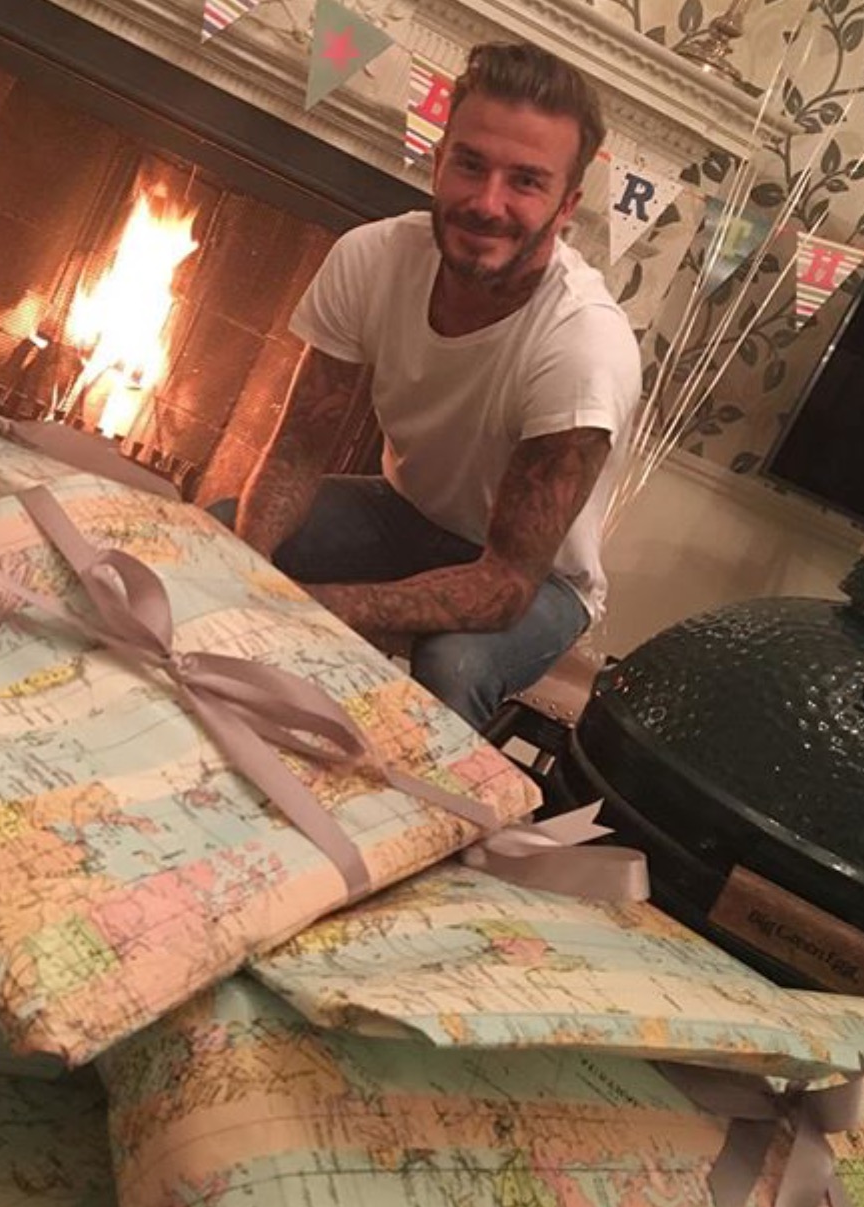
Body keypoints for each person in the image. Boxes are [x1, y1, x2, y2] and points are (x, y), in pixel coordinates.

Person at [212, 42, 641, 731]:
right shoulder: (369, 257)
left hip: (540, 579)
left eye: (525, 182)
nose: (487, 203)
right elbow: (297, 449)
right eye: (470, 165)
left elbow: (504, 584)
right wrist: (250, 567)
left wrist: (309, 609)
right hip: (404, 512)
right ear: (438, 163)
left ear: (566, 206)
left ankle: (415, 798)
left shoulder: (585, 346)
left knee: (453, 663)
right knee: (218, 533)